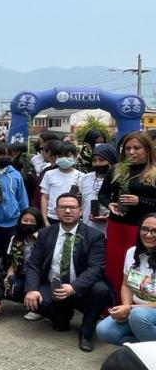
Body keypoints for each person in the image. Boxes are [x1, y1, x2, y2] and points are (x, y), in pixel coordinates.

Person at [24, 192, 112, 352]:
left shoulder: (95, 236)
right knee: (40, 306)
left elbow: (95, 268)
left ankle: (86, 332)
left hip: (80, 288)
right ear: (56, 210)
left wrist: (74, 287)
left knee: (101, 290)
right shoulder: (45, 233)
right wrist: (31, 290)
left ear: (81, 211)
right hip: (54, 285)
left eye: (72, 207)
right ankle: (61, 315)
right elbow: (34, 264)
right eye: (63, 207)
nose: (67, 211)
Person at [99, 131, 156, 303]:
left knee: (138, 268)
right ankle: (113, 306)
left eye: (137, 148)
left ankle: (137, 307)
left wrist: (141, 201)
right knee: (115, 267)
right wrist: (109, 204)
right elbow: (103, 194)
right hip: (116, 226)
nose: (131, 152)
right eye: (128, 148)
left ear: (147, 149)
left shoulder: (154, 171)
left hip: (143, 230)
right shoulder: (116, 170)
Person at [96, 212, 156, 345]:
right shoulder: (132, 252)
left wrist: (130, 309)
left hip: (147, 312)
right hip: (137, 310)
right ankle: (142, 346)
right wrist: (125, 307)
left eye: (154, 231)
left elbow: (136, 312)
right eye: (144, 229)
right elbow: (126, 285)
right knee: (104, 330)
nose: (148, 234)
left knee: (138, 316)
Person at [3, 207, 45, 320]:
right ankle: (26, 302)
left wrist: (39, 239)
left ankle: (38, 309)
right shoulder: (15, 238)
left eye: (32, 221)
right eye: (25, 220)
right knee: (10, 288)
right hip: (21, 274)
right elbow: (12, 260)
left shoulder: (45, 238)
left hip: (39, 277)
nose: (28, 224)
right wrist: (9, 276)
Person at [41, 143, 84, 226]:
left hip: (73, 217)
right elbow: (44, 197)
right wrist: (45, 220)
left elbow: (84, 199)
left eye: (68, 156)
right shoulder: (49, 174)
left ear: (75, 156)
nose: (64, 159)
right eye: (60, 156)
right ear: (56, 157)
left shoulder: (81, 176)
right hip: (52, 217)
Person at [80, 144, 117, 234]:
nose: (97, 164)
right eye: (94, 160)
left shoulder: (119, 179)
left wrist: (109, 216)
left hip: (110, 231)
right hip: (88, 229)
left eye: (101, 160)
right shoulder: (86, 178)